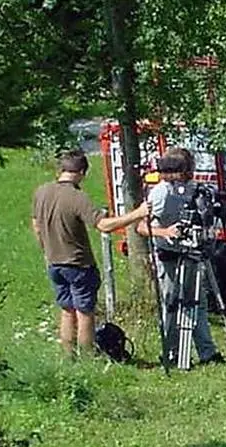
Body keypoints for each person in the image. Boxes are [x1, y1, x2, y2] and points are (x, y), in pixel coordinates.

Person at [31, 149, 149, 357]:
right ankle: (88, 356)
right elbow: (103, 225)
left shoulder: (41, 192)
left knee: (67, 310)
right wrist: (137, 214)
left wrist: (46, 250)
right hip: (78, 264)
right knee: (85, 313)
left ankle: (68, 355)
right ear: (82, 172)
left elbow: (37, 226)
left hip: (54, 263)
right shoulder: (77, 197)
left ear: (61, 170)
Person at [137, 148, 224, 367]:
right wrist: (165, 232)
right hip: (169, 256)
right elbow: (141, 227)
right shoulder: (160, 194)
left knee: (198, 303)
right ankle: (172, 352)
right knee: (172, 303)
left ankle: (207, 352)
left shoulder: (195, 190)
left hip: (192, 252)